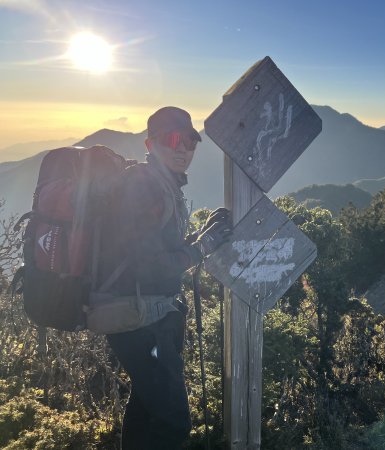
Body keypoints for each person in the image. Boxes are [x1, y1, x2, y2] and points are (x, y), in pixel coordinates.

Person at [99, 106, 231, 449]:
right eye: (172, 139)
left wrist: (200, 239)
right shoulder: (142, 187)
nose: (182, 148)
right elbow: (148, 264)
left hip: (150, 314)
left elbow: (157, 249)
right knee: (174, 423)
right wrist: (202, 248)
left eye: (190, 140)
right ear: (149, 144)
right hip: (139, 320)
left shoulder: (162, 185)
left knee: (145, 408)